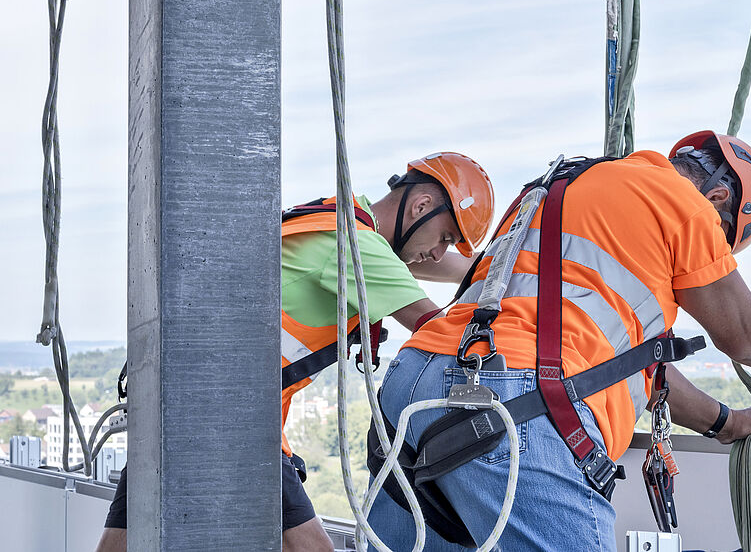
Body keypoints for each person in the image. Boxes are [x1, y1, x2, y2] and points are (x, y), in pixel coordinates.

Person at [366, 131, 751, 551]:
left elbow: (636, 367)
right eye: (722, 243)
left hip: (414, 384)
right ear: (719, 198)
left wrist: (727, 422)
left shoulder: (568, 187)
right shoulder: (681, 203)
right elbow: (750, 337)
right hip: (510, 402)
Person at [94, 152, 495, 552]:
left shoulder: (338, 224)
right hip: (230, 418)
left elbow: (439, 267)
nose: (441, 253)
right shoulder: (359, 248)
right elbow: (440, 332)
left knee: (120, 544)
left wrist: (504, 262)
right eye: (444, 238)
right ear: (422, 206)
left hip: (181, 401)